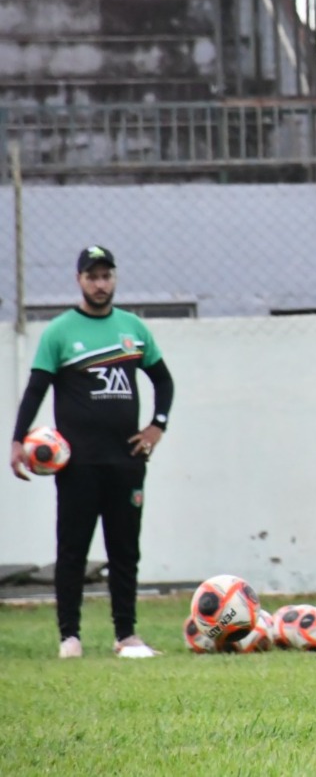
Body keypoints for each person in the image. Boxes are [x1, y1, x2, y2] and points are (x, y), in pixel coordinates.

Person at [9, 246, 175, 658]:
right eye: (92, 276)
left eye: (106, 276)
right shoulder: (60, 332)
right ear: (79, 280)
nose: (100, 284)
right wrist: (17, 440)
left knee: (124, 550)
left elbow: (164, 382)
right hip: (77, 464)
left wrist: (157, 426)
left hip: (126, 461)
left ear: (114, 278)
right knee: (72, 550)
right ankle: (71, 637)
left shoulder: (133, 328)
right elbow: (36, 390)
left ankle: (126, 636)